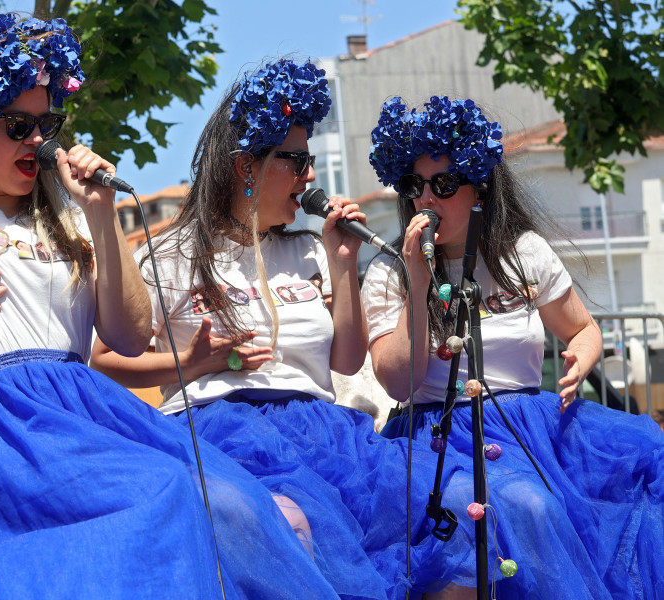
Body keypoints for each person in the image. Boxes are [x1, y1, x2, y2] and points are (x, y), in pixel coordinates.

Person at [0, 15, 336, 599]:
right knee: (159, 499)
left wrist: (99, 216)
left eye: (49, 124)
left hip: (78, 415)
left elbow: (130, 334)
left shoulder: (68, 225)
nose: (38, 141)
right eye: (18, 125)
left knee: (239, 506)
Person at [91, 59, 461, 599]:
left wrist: (341, 262)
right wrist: (193, 364)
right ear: (247, 165)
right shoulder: (170, 254)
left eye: (310, 161)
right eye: (297, 160)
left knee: (448, 518)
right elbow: (104, 356)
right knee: (288, 523)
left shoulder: (310, 248)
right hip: (220, 430)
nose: (310, 176)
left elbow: (346, 360)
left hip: (323, 433)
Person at [363, 96, 664, 599]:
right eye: (415, 186)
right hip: (434, 434)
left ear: (478, 187)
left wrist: (583, 357)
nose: (427, 200)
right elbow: (397, 381)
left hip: (527, 429)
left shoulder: (523, 251)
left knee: (552, 502)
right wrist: (417, 278)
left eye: (443, 185)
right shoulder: (390, 270)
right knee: (474, 510)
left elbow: (584, 330)